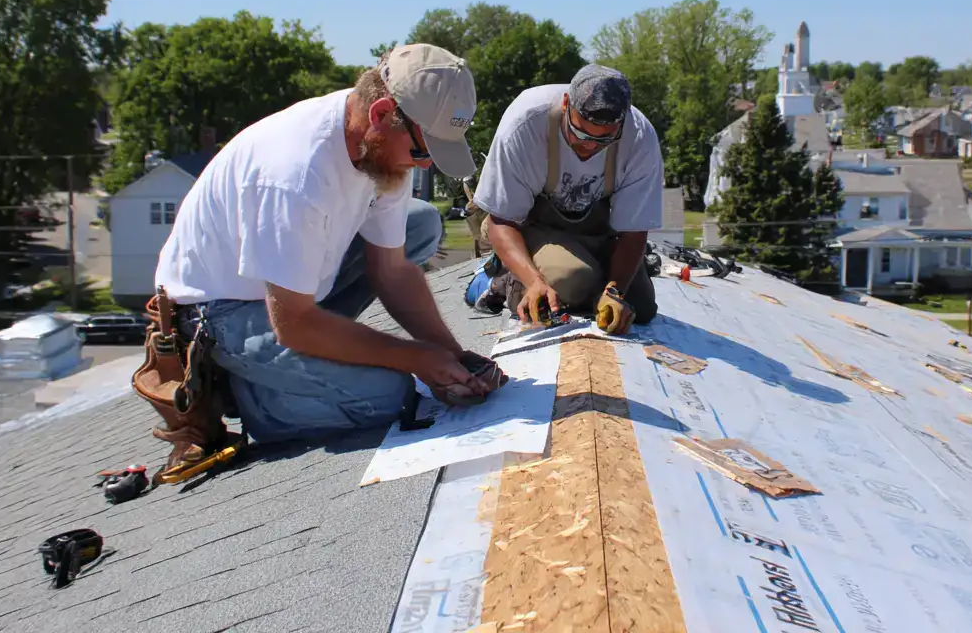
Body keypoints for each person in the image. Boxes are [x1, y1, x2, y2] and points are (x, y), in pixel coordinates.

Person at [152, 44, 502, 444]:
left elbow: (392, 271)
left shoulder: (377, 145)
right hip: (221, 311)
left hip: (288, 294)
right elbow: (295, 323)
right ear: (383, 114)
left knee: (420, 222)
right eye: (422, 150)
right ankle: (257, 399)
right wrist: (417, 358)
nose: (425, 164)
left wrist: (453, 357)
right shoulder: (294, 175)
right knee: (389, 395)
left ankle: (300, 365)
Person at [472, 65, 664, 334]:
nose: (590, 146)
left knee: (640, 307)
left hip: (595, 227)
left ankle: (591, 283)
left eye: (605, 139)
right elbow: (501, 221)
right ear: (566, 104)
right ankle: (498, 282)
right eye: (581, 133)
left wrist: (615, 291)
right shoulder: (525, 124)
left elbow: (633, 231)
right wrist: (534, 282)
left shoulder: (640, 137)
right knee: (573, 281)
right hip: (532, 225)